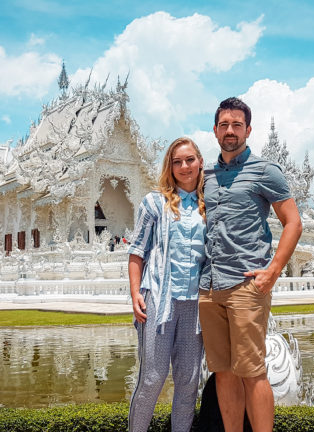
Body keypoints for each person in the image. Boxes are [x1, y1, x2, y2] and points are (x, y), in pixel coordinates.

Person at [199, 97, 302, 432]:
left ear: (248, 130)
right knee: (223, 372)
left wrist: (273, 271)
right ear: (215, 130)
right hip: (209, 286)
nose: (230, 131)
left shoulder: (264, 171)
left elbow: (293, 222)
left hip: (245, 284)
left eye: (237, 125)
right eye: (224, 125)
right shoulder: (207, 175)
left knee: (252, 371)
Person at [127, 137, 207, 432]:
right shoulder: (154, 204)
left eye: (190, 160)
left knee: (188, 382)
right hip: (159, 300)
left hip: (194, 306)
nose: (184, 167)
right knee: (152, 378)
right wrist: (135, 293)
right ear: (170, 167)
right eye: (177, 162)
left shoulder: (208, 206)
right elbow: (137, 251)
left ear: (200, 163)